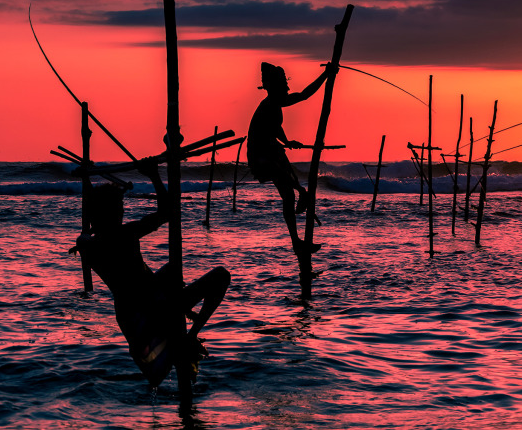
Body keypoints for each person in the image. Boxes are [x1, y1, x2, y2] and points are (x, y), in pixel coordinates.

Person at [75, 163, 230, 387]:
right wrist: (155, 176)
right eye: (119, 207)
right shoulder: (125, 234)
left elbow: (83, 238)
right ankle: (190, 336)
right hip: (155, 311)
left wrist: (85, 236)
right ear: (108, 212)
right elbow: (167, 212)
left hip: (132, 319)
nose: (123, 211)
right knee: (221, 276)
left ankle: (184, 336)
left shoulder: (91, 248)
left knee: (170, 272)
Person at [246, 61, 335, 255]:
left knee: (288, 195)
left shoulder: (273, 106)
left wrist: (287, 142)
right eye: (283, 85)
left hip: (272, 150)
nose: (287, 88)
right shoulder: (271, 103)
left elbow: (275, 128)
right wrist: (326, 76)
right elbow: (304, 95)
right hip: (262, 155)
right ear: (276, 87)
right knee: (292, 188)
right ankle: (303, 196)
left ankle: (296, 242)